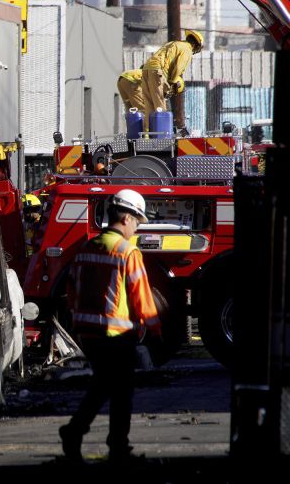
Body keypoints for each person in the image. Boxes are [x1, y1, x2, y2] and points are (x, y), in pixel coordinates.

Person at [59, 189, 162, 463]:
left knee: (105, 385)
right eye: (137, 222)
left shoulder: (86, 248)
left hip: (87, 333)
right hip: (116, 334)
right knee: (121, 389)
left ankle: (78, 432)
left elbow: (71, 289)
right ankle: (114, 444)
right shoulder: (127, 252)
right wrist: (153, 326)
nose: (136, 228)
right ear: (126, 218)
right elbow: (141, 294)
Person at [141, 30, 203, 136]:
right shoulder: (187, 49)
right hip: (158, 71)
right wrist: (173, 81)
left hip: (146, 70)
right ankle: (163, 136)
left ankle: (147, 135)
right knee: (160, 105)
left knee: (149, 106)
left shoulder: (174, 43)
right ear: (195, 45)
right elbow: (178, 67)